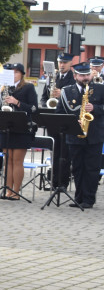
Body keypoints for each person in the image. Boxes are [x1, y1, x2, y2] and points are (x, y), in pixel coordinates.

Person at [60, 62, 104, 208]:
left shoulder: (100, 89)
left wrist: (96, 108)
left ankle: (89, 199)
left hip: (94, 136)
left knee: (92, 168)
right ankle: (78, 197)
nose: (85, 78)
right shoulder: (67, 91)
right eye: (82, 75)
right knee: (77, 167)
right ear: (75, 76)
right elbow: (59, 112)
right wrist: (73, 122)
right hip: (75, 135)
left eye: (87, 74)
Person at [0, 62, 38, 201]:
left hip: (22, 128)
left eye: (16, 72)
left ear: (21, 74)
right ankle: (8, 190)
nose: (13, 75)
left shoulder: (28, 88)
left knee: (17, 161)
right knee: (7, 160)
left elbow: (34, 108)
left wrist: (17, 103)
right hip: (6, 127)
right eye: (10, 72)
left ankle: (16, 191)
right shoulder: (4, 88)